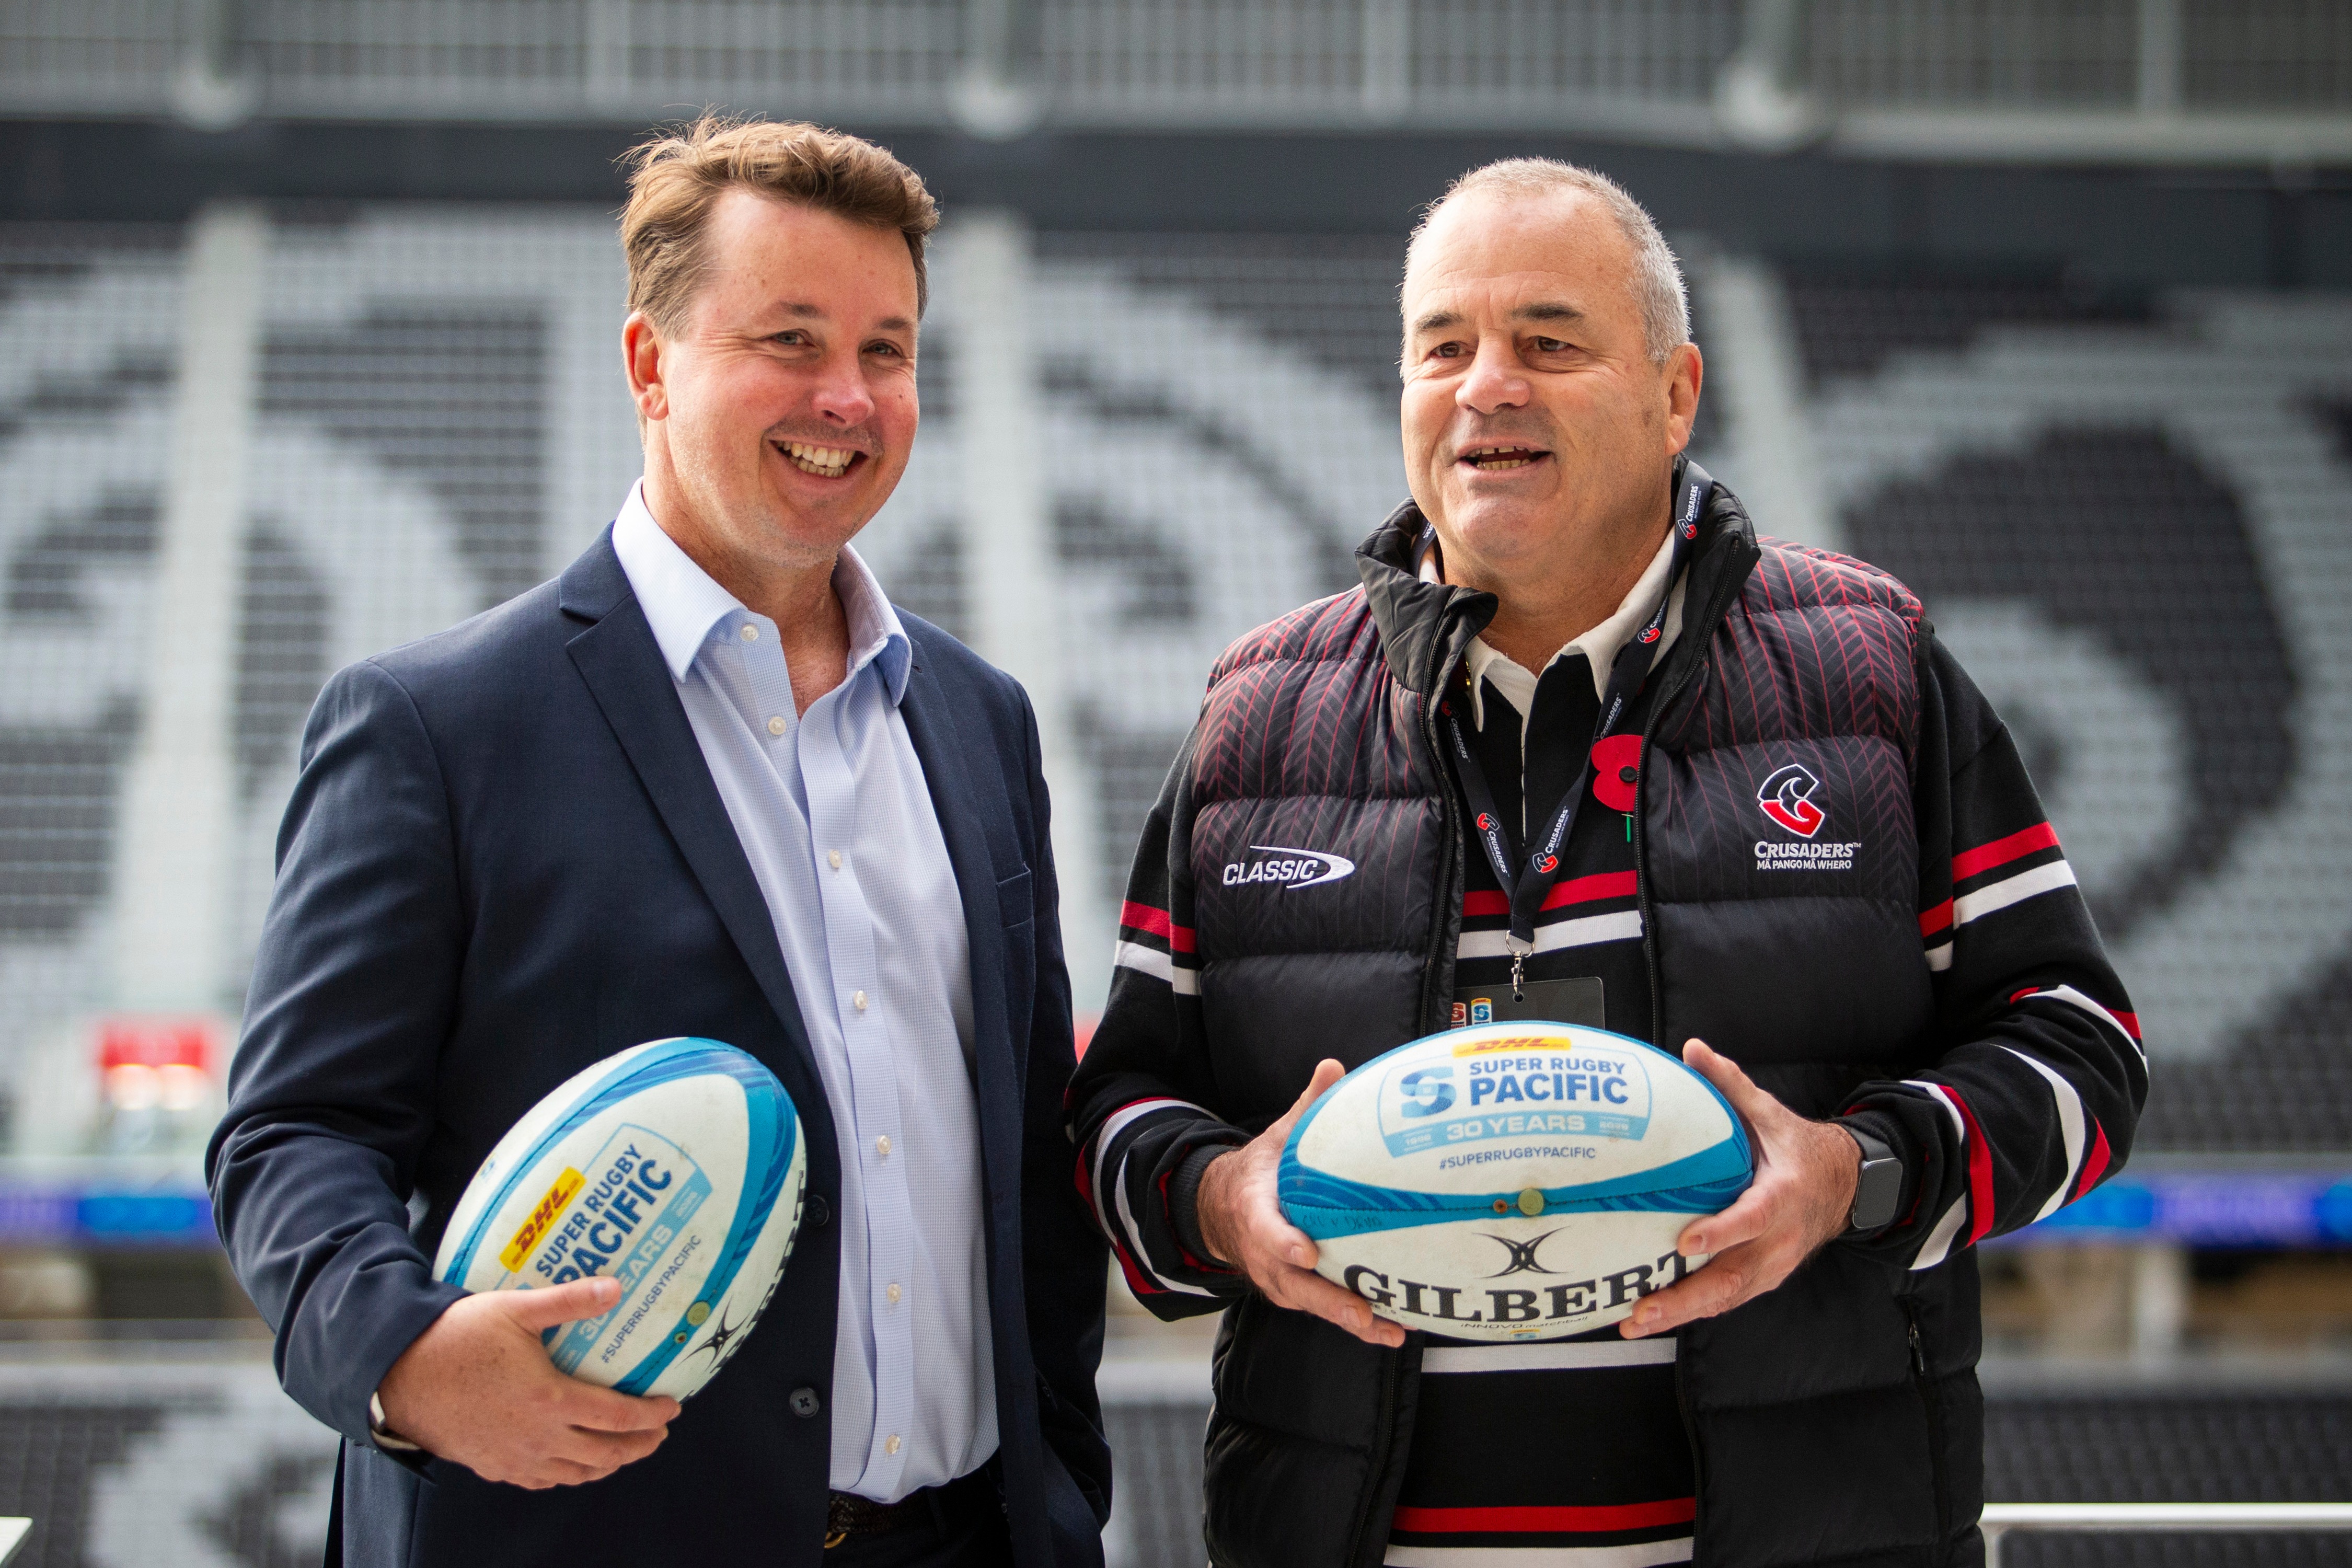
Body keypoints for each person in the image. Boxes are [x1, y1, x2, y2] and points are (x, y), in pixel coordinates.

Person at [1067, 157, 2146, 1568]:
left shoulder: (1867, 670)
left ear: (1675, 391)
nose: (1486, 385)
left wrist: (1860, 1174)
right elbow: (1120, 1109)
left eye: (1548, 342)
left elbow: (2079, 1049)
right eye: (1441, 346)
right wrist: (1216, 1202)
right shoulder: (1260, 712)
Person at [209, 118, 1109, 1568]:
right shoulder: (434, 726)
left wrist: (1059, 1493)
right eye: (791, 339)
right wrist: (406, 1356)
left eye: (886, 350)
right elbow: (294, 1133)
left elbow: (1021, 1158)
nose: (848, 396)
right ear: (648, 363)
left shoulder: (978, 719)